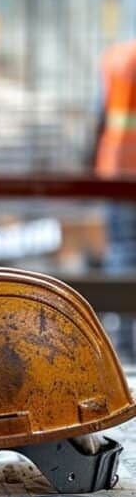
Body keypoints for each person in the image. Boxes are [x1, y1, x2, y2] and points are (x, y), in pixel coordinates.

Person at [93, 39, 136, 354]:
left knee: (122, 253)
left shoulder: (117, 58)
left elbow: (101, 116)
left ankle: (119, 350)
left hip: (119, 169)